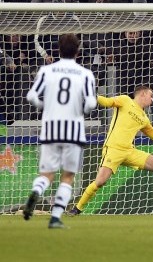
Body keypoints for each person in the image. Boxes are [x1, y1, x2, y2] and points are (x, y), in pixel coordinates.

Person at [69, 86, 153, 215]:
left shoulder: (144, 118)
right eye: (151, 96)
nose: (152, 100)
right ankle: (77, 208)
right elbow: (108, 102)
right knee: (100, 182)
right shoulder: (125, 100)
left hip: (129, 151)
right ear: (142, 94)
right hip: (113, 149)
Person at [22, 33, 97, 228]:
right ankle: (55, 218)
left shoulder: (47, 71)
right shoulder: (85, 74)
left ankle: (37, 191)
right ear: (78, 51)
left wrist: (45, 106)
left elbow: (31, 96)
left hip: (50, 130)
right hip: (74, 131)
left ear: (58, 50)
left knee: (47, 174)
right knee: (68, 176)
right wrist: (80, 110)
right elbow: (91, 103)